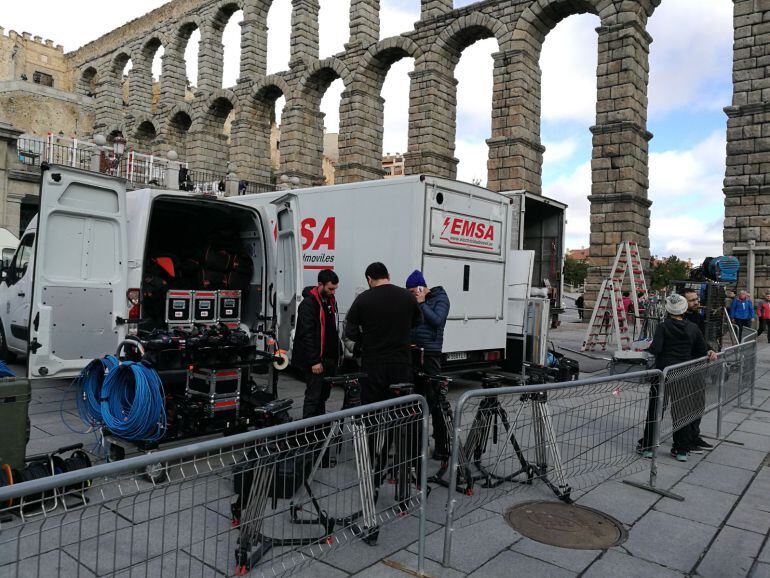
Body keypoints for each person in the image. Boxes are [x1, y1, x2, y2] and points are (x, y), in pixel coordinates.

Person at [637, 293, 716, 462]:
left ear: (668, 310)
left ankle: (648, 447)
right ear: (684, 309)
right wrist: (709, 351)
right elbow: (702, 349)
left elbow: (656, 349)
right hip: (684, 372)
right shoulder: (693, 328)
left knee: (655, 410)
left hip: (663, 372)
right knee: (682, 412)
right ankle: (681, 449)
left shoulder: (663, 327)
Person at [345, 262, 422, 405]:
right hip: (401, 362)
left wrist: (365, 340)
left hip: (373, 362)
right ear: (388, 276)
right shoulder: (407, 296)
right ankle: (395, 427)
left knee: (372, 408)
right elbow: (418, 322)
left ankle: (374, 428)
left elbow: (350, 331)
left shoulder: (363, 299)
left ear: (369, 279)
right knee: (399, 408)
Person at [405, 270, 451, 460]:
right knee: (414, 401)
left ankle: (441, 446)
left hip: (431, 355)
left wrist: (422, 303)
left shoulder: (441, 298)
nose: (410, 295)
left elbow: (437, 321)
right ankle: (415, 447)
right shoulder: (413, 300)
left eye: (412, 291)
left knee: (435, 401)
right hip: (414, 353)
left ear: (421, 288)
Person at [292, 269, 341, 419]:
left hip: (328, 359)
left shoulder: (330, 302)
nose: (333, 292)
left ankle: (318, 430)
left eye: (335, 289)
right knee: (314, 397)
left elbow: (332, 329)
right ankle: (307, 433)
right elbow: (306, 335)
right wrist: (314, 361)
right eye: (330, 288)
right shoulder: (308, 304)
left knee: (323, 397)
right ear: (320, 284)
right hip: (316, 360)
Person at [682, 288, 718, 453]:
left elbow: (701, 339)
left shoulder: (697, 316)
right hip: (684, 367)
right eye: (691, 300)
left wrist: (709, 349)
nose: (696, 302)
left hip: (698, 365)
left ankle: (694, 436)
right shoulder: (679, 320)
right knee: (686, 405)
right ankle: (684, 440)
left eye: (696, 299)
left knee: (698, 404)